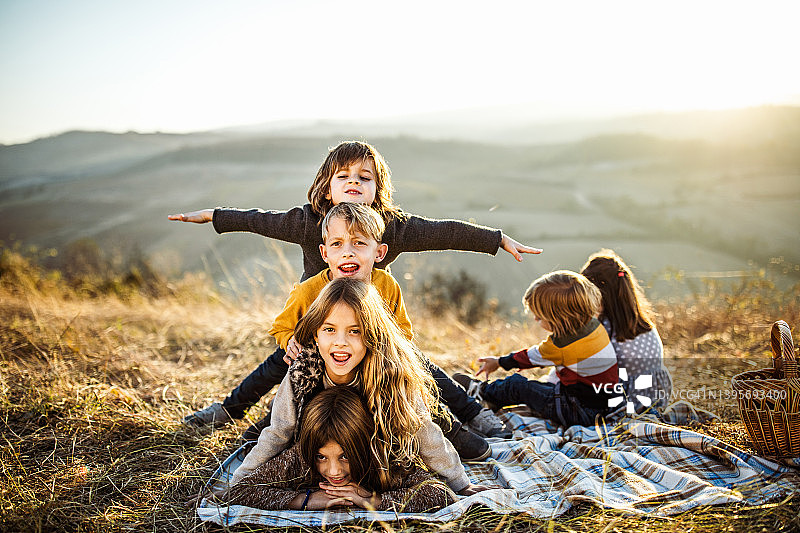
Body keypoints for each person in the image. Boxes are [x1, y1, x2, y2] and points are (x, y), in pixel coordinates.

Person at [187, 203, 504, 460]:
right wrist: (289, 340)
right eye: (337, 244)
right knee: (283, 364)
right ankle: (245, 417)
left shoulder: (385, 285)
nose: (348, 252)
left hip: (375, 358)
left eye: (359, 244)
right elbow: (281, 326)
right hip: (320, 361)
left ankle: (452, 427)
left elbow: (404, 331)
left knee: (416, 371)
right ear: (325, 253)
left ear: (379, 253)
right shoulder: (310, 290)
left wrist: (392, 350)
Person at [231, 277, 486, 496]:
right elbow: (278, 431)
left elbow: (424, 432)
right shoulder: (303, 372)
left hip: (375, 457)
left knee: (429, 488)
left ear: (372, 335)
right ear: (315, 334)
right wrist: (238, 482)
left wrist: (461, 484)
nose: (340, 342)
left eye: (355, 331)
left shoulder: (390, 373)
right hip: (319, 460)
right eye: (329, 329)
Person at [222, 386, 456, 512]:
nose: (333, 471)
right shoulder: (301, 457)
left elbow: (442, 494)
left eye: (345, 456)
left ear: (364, 446)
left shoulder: (383, 456)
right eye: (322, 457)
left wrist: (372, 500)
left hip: (424, 416)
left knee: (449, 424)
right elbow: (241, 491)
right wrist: (306, 500)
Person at [453, 270, 618, 427]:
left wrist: (498, 362)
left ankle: (482, 392)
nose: (535, 319)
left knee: (518, 386)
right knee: (538, 388)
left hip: (576, 410)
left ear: (558, 319)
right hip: (599, 405)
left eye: (539, 317)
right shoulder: (595, 326)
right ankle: (493, 399)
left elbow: (529, 357)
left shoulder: (561, 345)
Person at [580, 249, 672, 413]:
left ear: (597, 293)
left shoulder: (604, 328)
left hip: (625, 402)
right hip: (656, 398)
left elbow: (589, 371)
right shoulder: (644, 323)